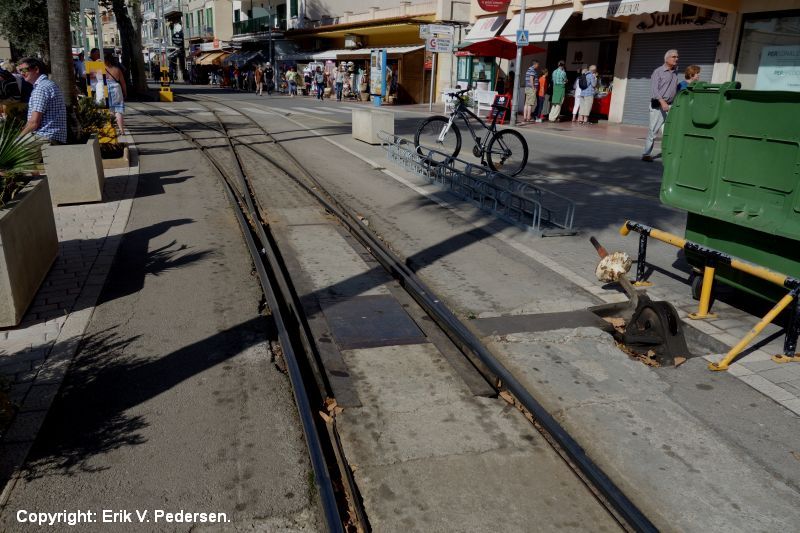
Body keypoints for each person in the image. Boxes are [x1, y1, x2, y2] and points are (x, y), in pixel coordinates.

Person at [17, 58, 67, 146]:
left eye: (24, 70)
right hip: (53, 136)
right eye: (19, 70)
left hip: (45, 136)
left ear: (36, 69)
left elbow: (34, 123)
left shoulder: (41, 88)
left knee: (13, 149)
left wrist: (18, 139)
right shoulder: (48, 84)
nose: (22, 73)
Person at [642, 49, 679, 162]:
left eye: (677, 57)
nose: (676, 59)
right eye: (674, 57)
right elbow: (654, 90)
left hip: (670, 105)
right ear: (667, 58)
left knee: (668, 131)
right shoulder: (658, 72)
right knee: (653, 130)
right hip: (658, 105)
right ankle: (646, 154)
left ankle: (668, 153)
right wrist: (662, 102)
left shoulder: (675, 72)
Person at [104, 55, 127, 134]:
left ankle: (111, 129)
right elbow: (123, 83)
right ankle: (121, 130)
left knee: (110, 110)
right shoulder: (117, 70)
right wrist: (125, 92)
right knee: (118, 110)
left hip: (105, 89)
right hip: (116, 88)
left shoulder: (101, 69)